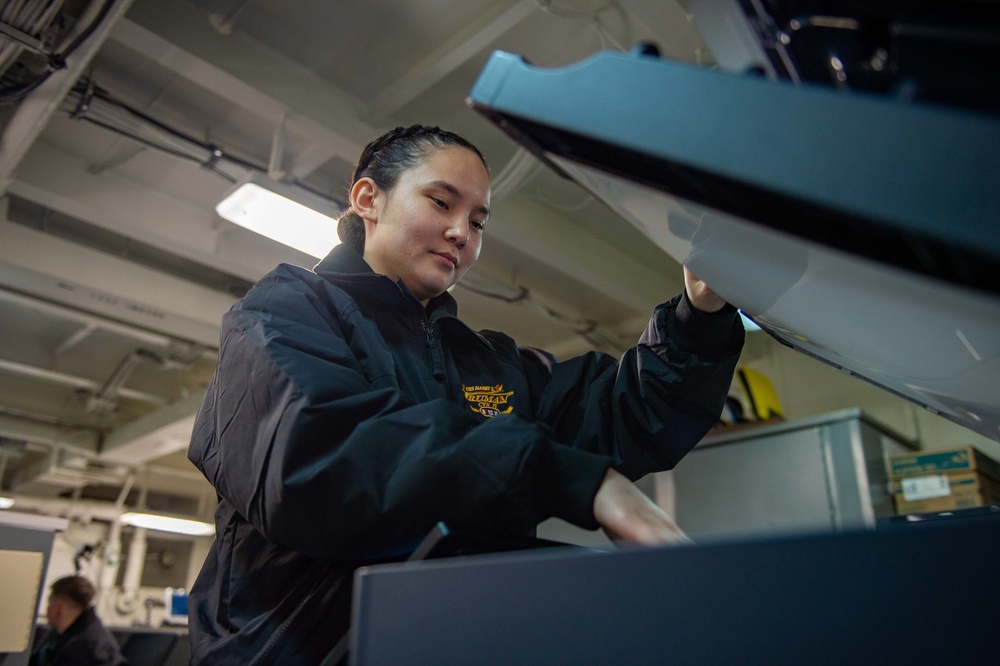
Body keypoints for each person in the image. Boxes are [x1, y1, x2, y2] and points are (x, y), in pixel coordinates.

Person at [186, 125, 745, 663]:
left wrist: (700, 312)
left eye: (478, 221)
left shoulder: (492, 364)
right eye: (441, 202)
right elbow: (319, 458)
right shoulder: (284, 313)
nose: (462, 232)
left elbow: (629, 413)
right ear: (367, 199)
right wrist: (559, 472)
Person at [30, 575, 128, 666]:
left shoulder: (86, 649)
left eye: (49, 604)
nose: (46, 610)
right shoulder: (63, 633)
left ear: (57, 609)